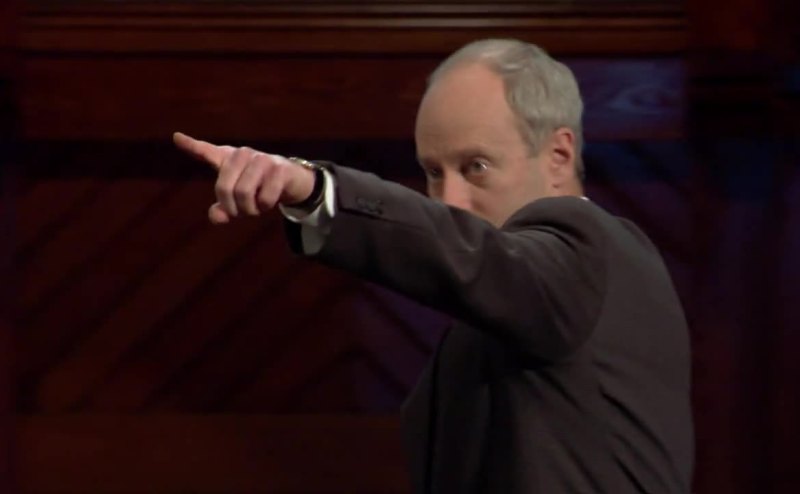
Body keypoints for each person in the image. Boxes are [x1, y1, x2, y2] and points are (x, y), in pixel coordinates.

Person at [173, 39, 694, 493]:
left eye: (476, 166)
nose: (451, 199)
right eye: (433, 172)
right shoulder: (513, 306)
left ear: (558, 155)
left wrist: (315, 189)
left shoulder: (589, 247)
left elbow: (484, 260)